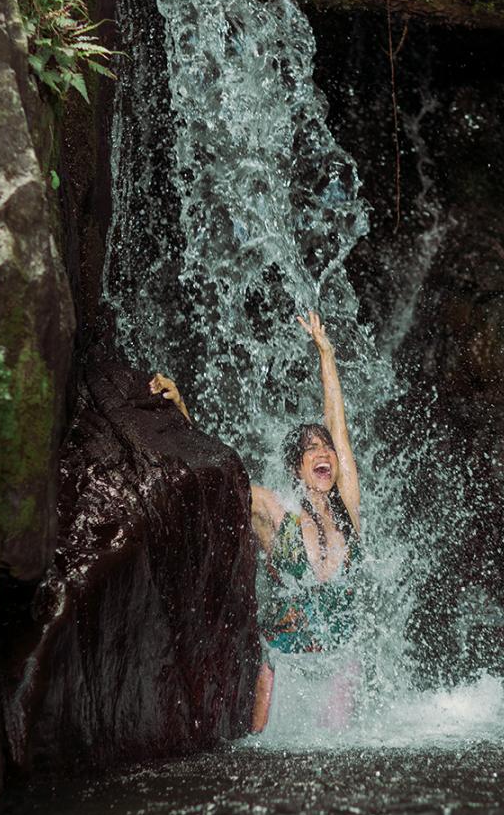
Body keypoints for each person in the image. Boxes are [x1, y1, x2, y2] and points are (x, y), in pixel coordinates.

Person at [149, 311, 361, 733]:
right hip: (285, 668)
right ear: (297, 469)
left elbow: (339, 425)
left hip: (339, 667)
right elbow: (217, 476)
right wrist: (181, 411)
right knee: (265, 761)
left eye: (326, 449)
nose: (323, 453)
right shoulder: (273, 514)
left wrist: (327, 354)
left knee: (345, 761)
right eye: (310, 450)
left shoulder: (348, 511)